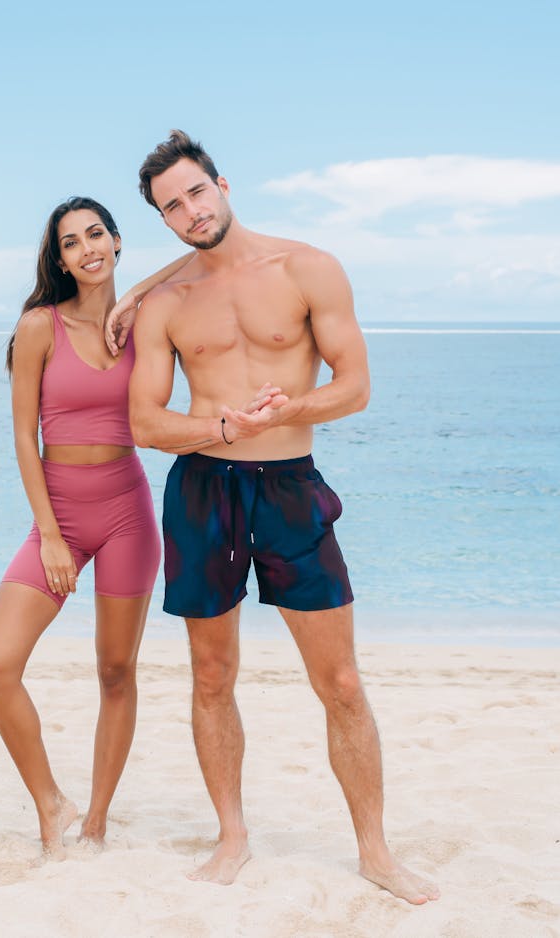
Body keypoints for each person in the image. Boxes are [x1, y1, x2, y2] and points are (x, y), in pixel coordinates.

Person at [106, 132, 440, 904]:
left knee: (343, 681)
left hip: (290, 487)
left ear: (222, 184)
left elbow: (355, 386)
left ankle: (375, 852)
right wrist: (227, 429)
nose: (190, 211)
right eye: (171, 206)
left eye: (195, 192)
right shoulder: (166, 304)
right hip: (202, 490)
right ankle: (232, 836)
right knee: (212, 675)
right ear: (163, 221)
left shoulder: (308, 268)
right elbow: (146, 425)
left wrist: (288, 410)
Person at [0, 197, 188, 857]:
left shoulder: (147, 324)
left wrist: (140, 293)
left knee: (117, 670)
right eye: (71, 242)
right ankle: (51, 802)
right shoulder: (40, 325)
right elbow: (22, 435)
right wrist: (49, 533)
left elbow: (205, 258)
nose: (87, 249)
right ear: (59, 259)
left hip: (128, 510)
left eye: (97, 235)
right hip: (61, 510)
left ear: (118, 243)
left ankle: (95, 820)